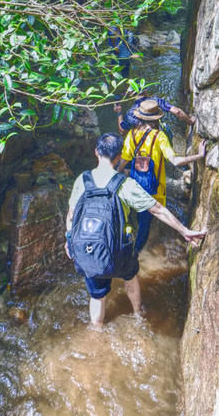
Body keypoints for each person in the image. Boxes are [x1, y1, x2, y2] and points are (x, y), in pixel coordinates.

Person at [65, 133, 206, 327]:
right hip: (120, 252)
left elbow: (71, 215)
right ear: (119, 157)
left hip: (90, 250)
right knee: (130, 279)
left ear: (96, 152)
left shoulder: (82, 180)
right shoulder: (124, 184)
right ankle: (138, 315)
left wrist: (69, 240)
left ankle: (97, 331)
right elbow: (157, 209)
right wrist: (184, 230)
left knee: (97, 296)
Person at [117, 98, 205, 253]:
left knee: (139, 215)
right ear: (157, 118)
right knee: (148, 220)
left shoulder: (131, 135)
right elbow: (175, 161)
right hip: (155, 188)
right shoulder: (159, 136)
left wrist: (114, 176)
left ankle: (131, 245)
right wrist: (199, 156)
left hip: (136, 184)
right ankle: (136, 252)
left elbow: (124, 161)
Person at [113, 91, 195, 135]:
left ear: (131, 95)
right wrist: (190, 121)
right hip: (158, 136)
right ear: (145, 91)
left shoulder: (130, 113)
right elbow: (177, 111)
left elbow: (122, 131)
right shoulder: (155, 101)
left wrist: (119, 113)